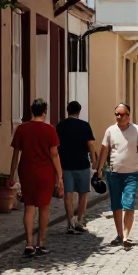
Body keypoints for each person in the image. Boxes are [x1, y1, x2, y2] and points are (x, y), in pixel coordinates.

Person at [8, 98, 63, 259]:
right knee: (44, 207)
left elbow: (15, 154)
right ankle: (41, 243)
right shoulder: (50, 130)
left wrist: (12, 175)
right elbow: (54, 155)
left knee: (29, 207)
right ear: (44, 112)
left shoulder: (21, 129)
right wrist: (60, 176)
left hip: (26, 171)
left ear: (32, 110)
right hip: (45, 172)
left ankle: (29, 244)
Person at [96, 102, 138, 248]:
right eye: (116, 114)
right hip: (113, 173)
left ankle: (126, 236)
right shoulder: (110, 131)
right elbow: (104, 150)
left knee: (129, 204)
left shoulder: (136, 130)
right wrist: (99, 169)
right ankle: (119, 235)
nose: (118, 116)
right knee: (116, 205)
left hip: (132, 173)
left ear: (128, 116)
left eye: (121, 114)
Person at [56, 100, 96, 234]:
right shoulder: (85, 125)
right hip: (82, 164)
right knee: (83, 193)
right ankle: (79, 220)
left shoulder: (60, 126)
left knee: (68, 195)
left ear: (67, 111)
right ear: (79, 111)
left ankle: (70, 222)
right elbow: (90, 145)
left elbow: (55, 147)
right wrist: (94, 161)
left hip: (65, 164)